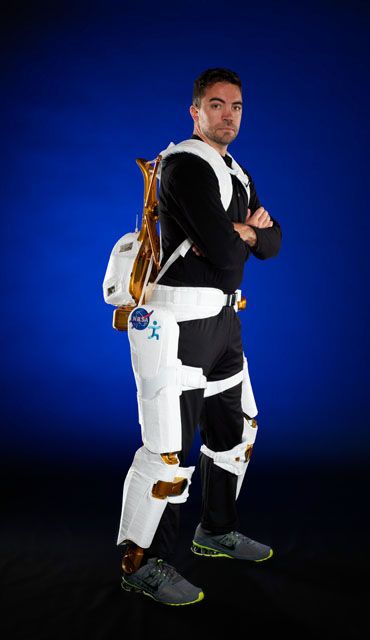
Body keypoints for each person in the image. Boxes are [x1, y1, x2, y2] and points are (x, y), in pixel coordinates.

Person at [118, 68, 282, 605]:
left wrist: (246, 232)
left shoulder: (237, 171)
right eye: (216, 104)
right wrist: (248, 233)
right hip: (177, 326)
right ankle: (142, 562)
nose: (227, 115)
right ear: (196, 111)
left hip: (224, 324)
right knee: (167, 454)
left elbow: (273, 242)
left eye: (236, 106)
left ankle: (215, 530)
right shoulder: (184, 166)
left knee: (236, 433)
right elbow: (229, 257)